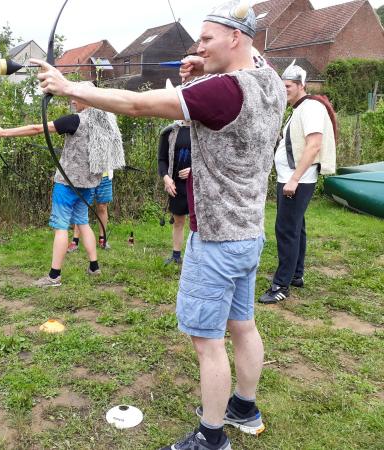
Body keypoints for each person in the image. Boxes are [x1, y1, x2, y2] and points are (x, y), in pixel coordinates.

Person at [31, 1, 286, 448]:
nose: (199, 46)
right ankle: (244, 407)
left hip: (216, 238)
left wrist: (72, 85)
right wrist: (203, 64)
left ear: (235, 38)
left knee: (207, 341)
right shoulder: (271, 81)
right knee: (242, 325)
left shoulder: (223, 92)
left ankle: (211, 438)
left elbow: (135, 103)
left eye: (206, 39)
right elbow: (245, 68)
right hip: (249, 232)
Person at [0, 88, 124, 288]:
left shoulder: (75, 120)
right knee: (83, 222)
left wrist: (4, 132)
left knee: (61, 226)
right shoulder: (104, 121)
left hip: (67, 184)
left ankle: (54, 276)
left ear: (86, 98)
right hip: (88, 184)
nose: (72, 100)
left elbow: (38, 128)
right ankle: (94, 267)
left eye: (76, 97)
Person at [259, 62, 337, 304]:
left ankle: (281, 285)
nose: (285, 90)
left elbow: (314, 145)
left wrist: (293, 179)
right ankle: (296, 275)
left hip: (297, 180)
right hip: (291, 179)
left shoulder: (311, 107)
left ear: (302, 85)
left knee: (286, 230)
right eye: (282, 86)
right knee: (296, 228)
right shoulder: (300, 108)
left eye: (289, 86)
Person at [158, 120, 192, 265]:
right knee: (178, 221)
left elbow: (212, 159)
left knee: (200, 223)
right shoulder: (169, 131)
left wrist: (194, 171)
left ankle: (198, 258)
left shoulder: (204, 129)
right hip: (176, 184)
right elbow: (162, 160)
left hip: (199, 185)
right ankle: (176, 256)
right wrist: (166, 178)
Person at [67, 171, 113, 252]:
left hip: (105, 176)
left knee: (102, 206)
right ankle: (75, 241)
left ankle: (102, 239)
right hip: (87, 175)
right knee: (82, 206)